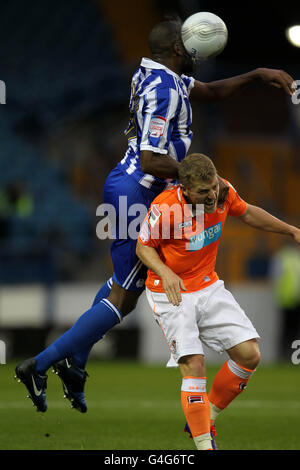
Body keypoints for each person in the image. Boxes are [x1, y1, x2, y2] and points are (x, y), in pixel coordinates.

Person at [15, 17, 295, 414]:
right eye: (189, 43)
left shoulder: (158, 73)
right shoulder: (164, 90)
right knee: (123, 300)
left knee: (121, 283)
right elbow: (150, 159)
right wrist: (198, 175)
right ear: (179, 51)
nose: (196, 50)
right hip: (138, 190)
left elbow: (212, 91)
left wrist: (256, 75)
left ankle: (75, 363)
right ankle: (39, 365)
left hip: (134, 186)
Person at [136, 153, 300, 450]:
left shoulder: (222, 190)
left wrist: (291, 230)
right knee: (194, 364)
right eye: (203, 191)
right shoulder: (165, 208)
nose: (212, 195)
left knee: (250, 355)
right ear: (184, 189)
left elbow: (247, 212)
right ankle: (205, 445)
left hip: (208, 285)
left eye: (213, 186)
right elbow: (143, 248)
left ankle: (204, 416)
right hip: (170, 291)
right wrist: (165, 271)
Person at [269, 241, 300, 360]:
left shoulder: (283, 256)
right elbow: (275, 277)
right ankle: (287, 357)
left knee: (291, 331)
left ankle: (290, 357)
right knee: (288, 331)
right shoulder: (282, 256)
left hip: (292, 299)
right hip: (287, 299)